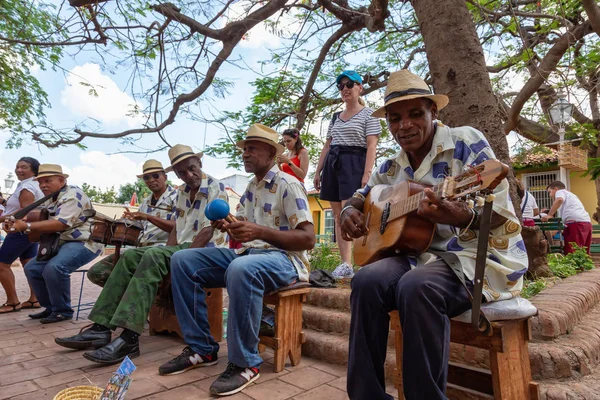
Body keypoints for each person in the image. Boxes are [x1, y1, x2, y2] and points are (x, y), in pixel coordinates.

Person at [339, 70, 528, 400]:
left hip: (475, 257)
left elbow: (498, 217)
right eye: (395, 118)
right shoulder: (391, 166)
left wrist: (461, 214)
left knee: (417, 287)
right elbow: (363, 193)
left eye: (415, 114)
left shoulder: (465, 141)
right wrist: (349, 211)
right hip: (416, 257)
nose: (404, 126)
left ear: (433, 112)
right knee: (366, 281)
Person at [160, 124, 315, 397]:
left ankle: (245, 363)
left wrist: (260, 232)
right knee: (183, 260)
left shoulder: (289, 185)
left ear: (271, 152)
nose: (245, 154)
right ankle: (202, 349)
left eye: (252, 148)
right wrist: (230, 224)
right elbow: (245, 226)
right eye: (244, 149)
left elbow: (307, 239)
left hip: (286, 260)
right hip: (249, 255)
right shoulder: (252, 188)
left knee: (240, 268)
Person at [55, 144, 228, 365]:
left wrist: (178, 262)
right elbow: (177, 227)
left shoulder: (215, 187)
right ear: (175, 173)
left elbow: (207, 231)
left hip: (204, 251)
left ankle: (128, 338)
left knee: (153, 256)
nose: (189, 175)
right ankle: (100, 327)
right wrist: (168, 250)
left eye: (192, 168)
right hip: (181, 247)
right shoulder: (183, 191)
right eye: (182, 172)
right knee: (129, 257)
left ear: (200, 164)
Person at [3, 164, 104, 323]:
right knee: (32, 268)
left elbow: (61, 224)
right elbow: (34, 216)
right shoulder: (49, 198)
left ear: (62, 180)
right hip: (62, 242)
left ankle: (62, 311)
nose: (43, 185)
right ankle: (51, 308)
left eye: (48, 181)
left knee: (55, 267)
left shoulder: (73, 194)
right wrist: (16, 223)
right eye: (41, 182)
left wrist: (26, 226)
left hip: (85, 242)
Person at [314, 70, 381, 279]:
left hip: (355, 162)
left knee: (351, 210)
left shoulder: (369, 114)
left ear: (360, 87)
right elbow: (327, 146)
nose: (345, 89)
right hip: (333, 163)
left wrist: (367, 174)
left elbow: (372, 146)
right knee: (337, 214)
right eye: (341, 86)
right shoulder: (335, 117)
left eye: (349, 84)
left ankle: (365, 260)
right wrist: (318, 171)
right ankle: (345, 264)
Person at [86, 160, 177, 287]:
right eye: (146, 177)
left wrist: (148, 217)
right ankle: (130, 295)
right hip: (138, 249)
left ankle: (132, 297)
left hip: (161, 250)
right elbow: (139, 225)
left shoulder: (177, 197)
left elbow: (179, 227)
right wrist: (129, 221)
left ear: (165, 177)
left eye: (156, 176)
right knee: (96, 272)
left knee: (127, 264)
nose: (151, 180)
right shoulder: (145, 202)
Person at [0, 158, 46, 314]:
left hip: (19, 230)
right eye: (17, 166)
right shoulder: (34, 185)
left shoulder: (27, 187)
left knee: (1, 265)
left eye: (23, 167)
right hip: (30, 231)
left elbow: (24, 212)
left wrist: (2, 218)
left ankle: (13, 302)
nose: (19, 170)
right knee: (29, 265)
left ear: (33, 169)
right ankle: (34, 299)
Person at [543, 181, 592, 254]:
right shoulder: (571, 195)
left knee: (572, 250)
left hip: (575, 223)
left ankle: (573, 265)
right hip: (586, 222)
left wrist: (550, 214)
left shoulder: (560, 192)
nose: (550, 195)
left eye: (550, 192)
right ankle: (582, 265)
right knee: (583, 251)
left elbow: (559, 199)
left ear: (556, 189)